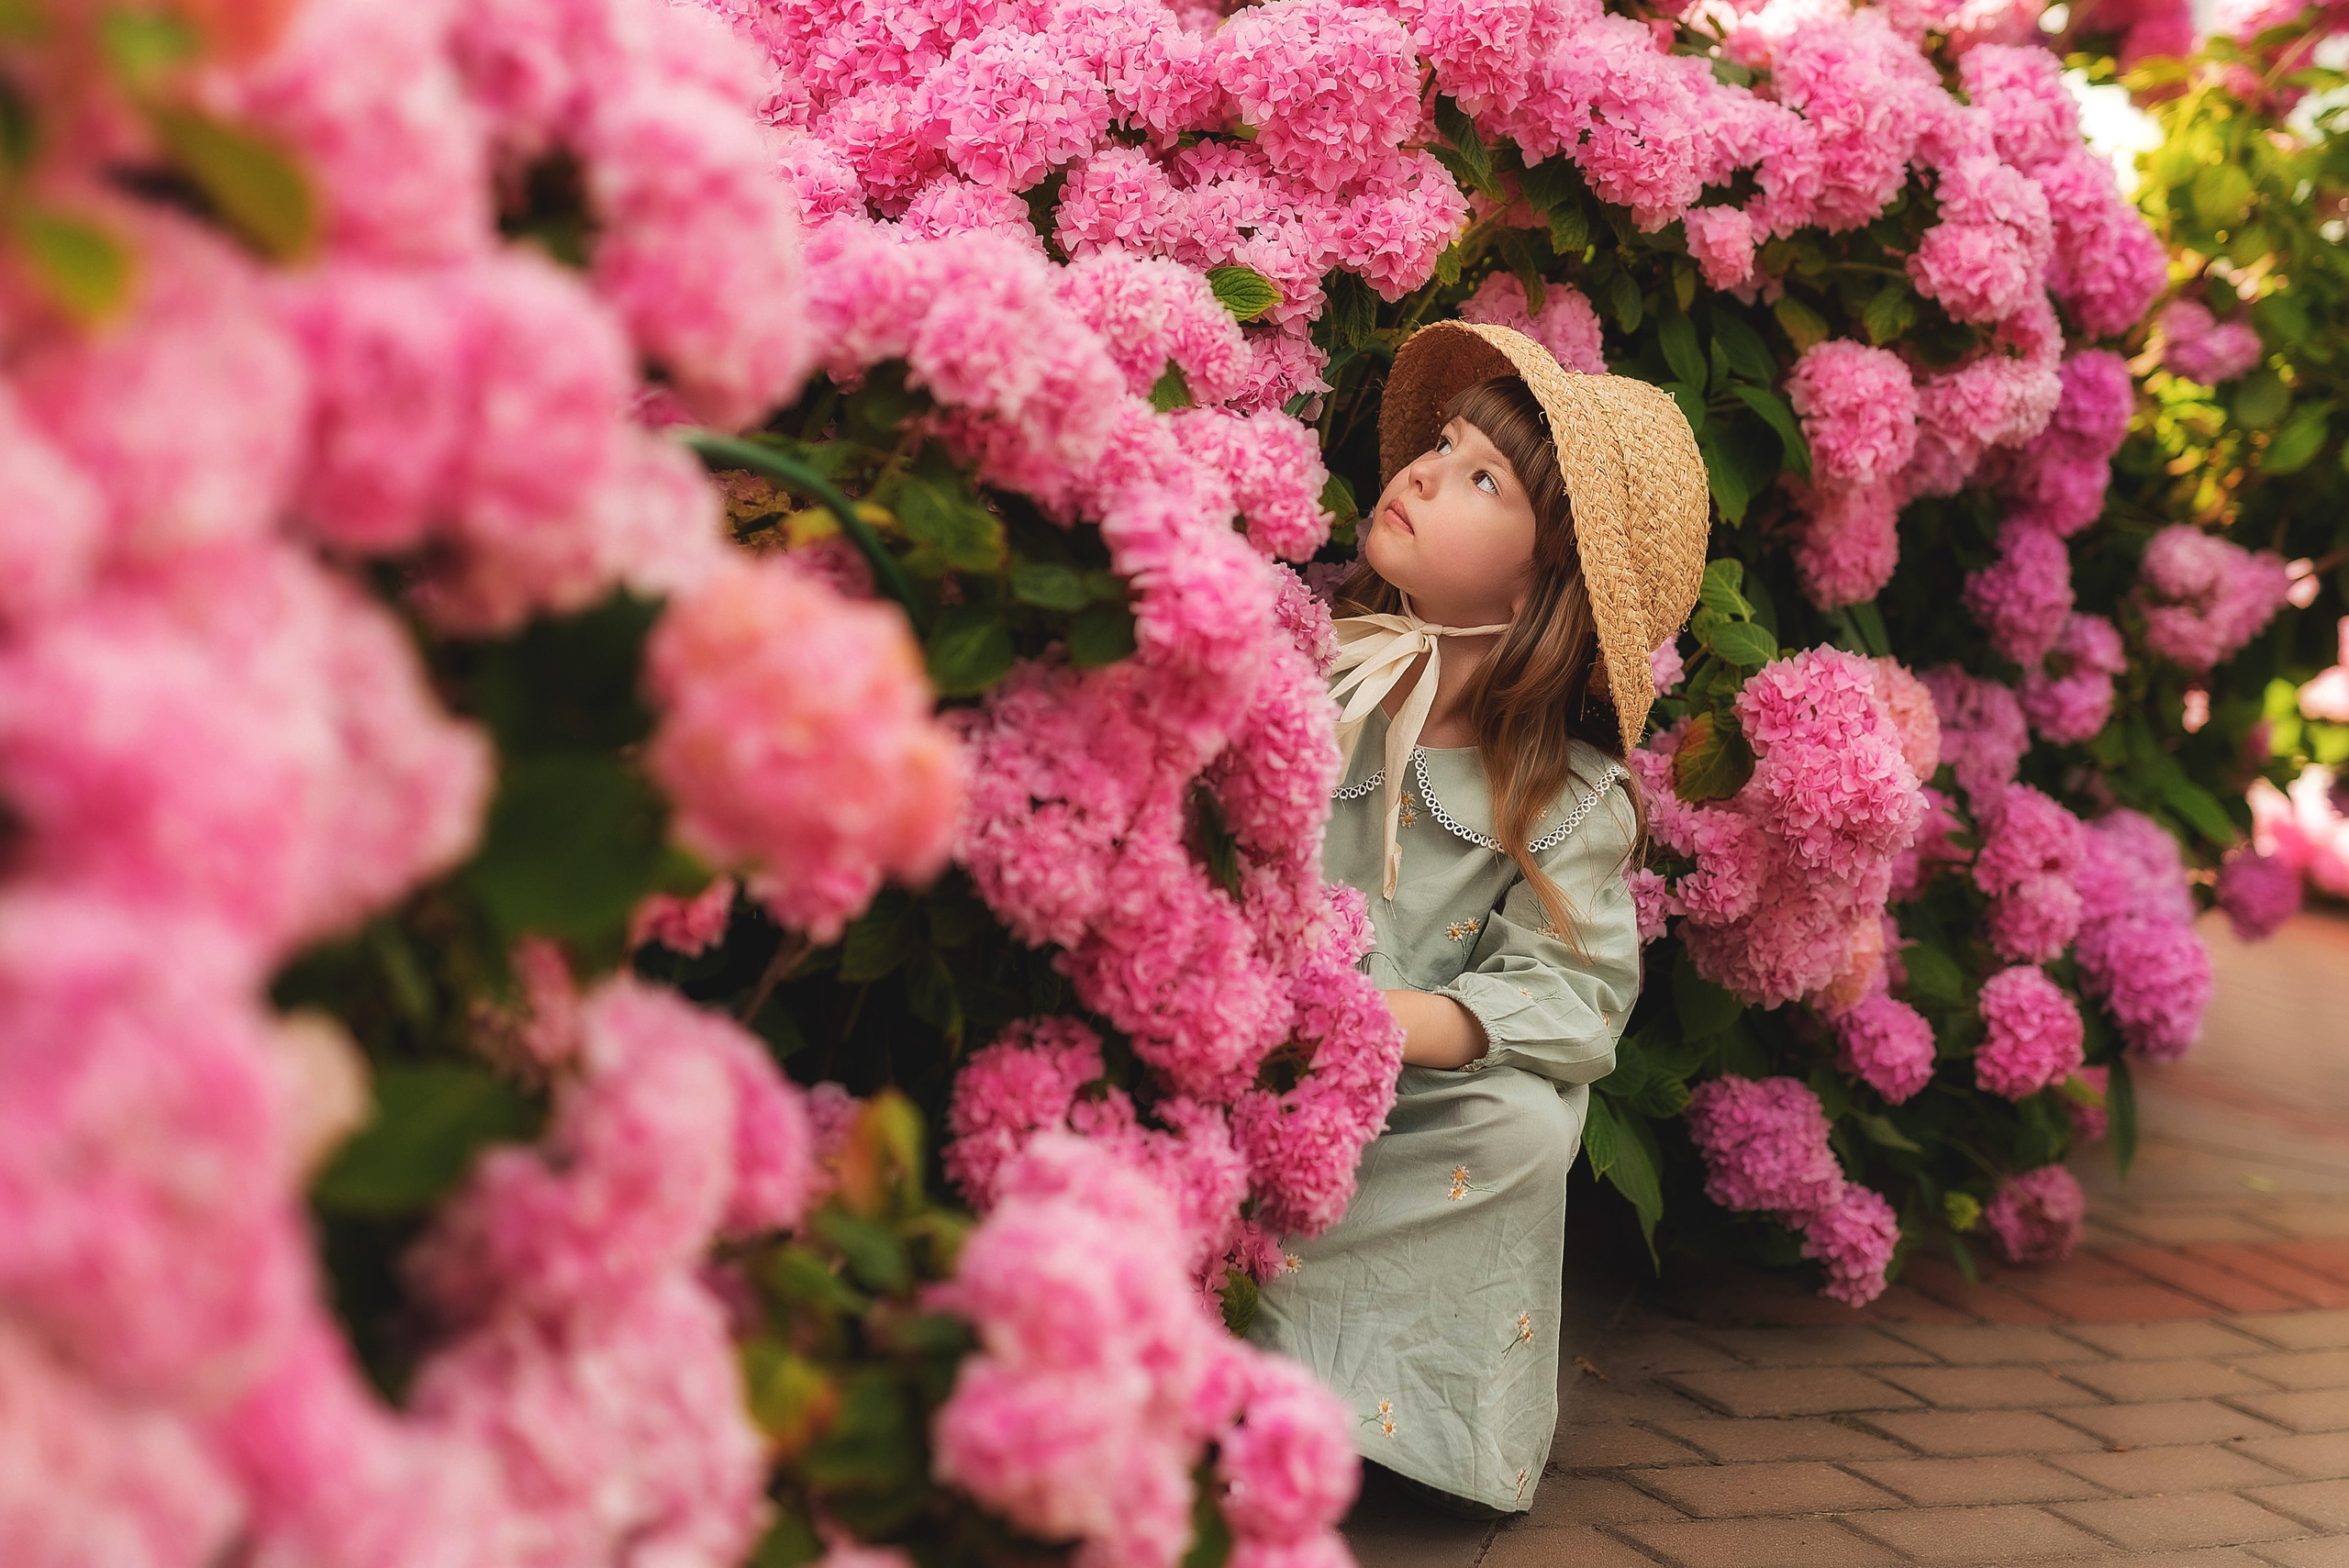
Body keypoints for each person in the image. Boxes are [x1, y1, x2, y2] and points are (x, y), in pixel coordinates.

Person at [1250, 321, 1711, 1516]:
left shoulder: (1564, 794)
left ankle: (1362, 1410)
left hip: (1407, 1094)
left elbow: (1573, 991)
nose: (1422, 472)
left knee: (1522, 1127)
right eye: (1442, 445)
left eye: (1481, 478)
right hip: (1245, 1034)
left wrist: (1384, 1021)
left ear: (1537, 583)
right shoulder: (1314, 670)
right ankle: (1213, 1347)